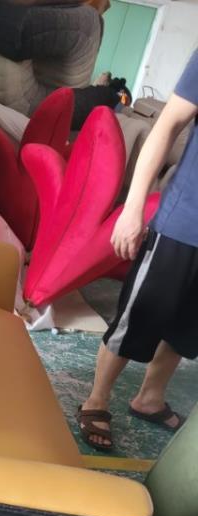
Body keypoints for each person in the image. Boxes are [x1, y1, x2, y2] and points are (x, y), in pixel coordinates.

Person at [78, 49, 198, 450]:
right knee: (139, 316)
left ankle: (150, 398)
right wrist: (132, 209)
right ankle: (96, 400)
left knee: (188, 326)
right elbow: (167, 126)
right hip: (185, 221)